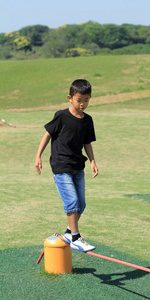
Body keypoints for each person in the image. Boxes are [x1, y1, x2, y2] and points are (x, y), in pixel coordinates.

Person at [35, 79, 98, 252]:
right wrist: (38, 156)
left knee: (81, 204)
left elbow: (87, 143)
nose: (83, 104)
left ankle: (70, 232)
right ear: (70, 98)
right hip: (61, 165)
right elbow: (47, 135)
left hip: (78, 166)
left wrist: (92, 161)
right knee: (72, 201)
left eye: (86, 100)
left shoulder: (87, 120)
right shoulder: (61, 116)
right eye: (79, 100)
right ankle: (76, 237)